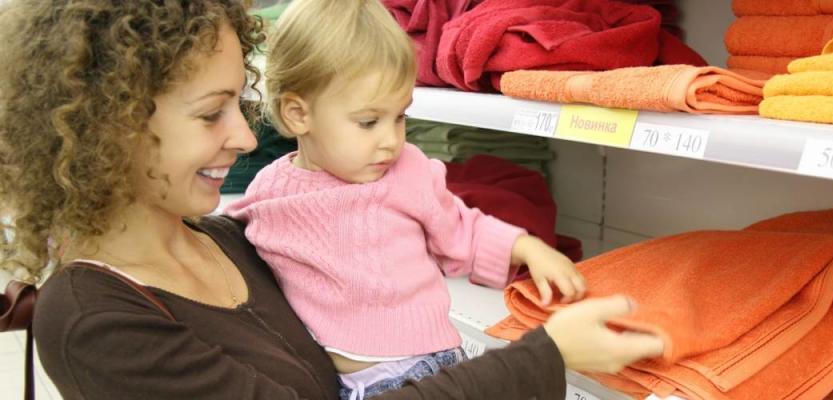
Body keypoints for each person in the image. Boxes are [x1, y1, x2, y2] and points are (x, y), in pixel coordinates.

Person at [0, 1, 664, 399]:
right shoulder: (97, 321)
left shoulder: (238, 238)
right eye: (210, 114)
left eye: (241, 102)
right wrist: (547, 359)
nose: (243, 134)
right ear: (107, 124)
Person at [221, 2, 588, 398]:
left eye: (400, 117)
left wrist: (527, 247)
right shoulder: (268, 193)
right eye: (368, 122)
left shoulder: (407, 171)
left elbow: (460, 230)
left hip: (428, 369)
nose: (391, 140)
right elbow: (234, 249)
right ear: (297, 114)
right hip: (338, 383)